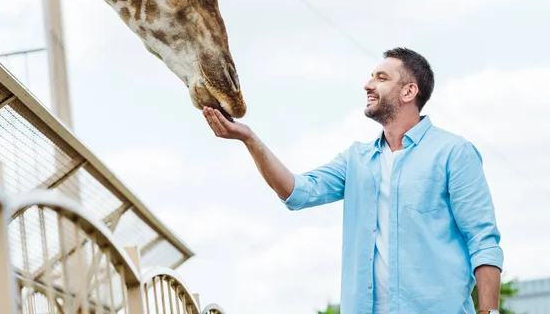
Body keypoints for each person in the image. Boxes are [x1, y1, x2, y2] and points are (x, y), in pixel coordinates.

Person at [202, 47, 503, 314]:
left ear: (409, 92)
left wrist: (488, 312)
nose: (368, 84)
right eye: (371, 76)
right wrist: (249, 139)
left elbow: (482, 239)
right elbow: (296, 191)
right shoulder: (356, 160)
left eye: (381, 78)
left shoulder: (453, 153)